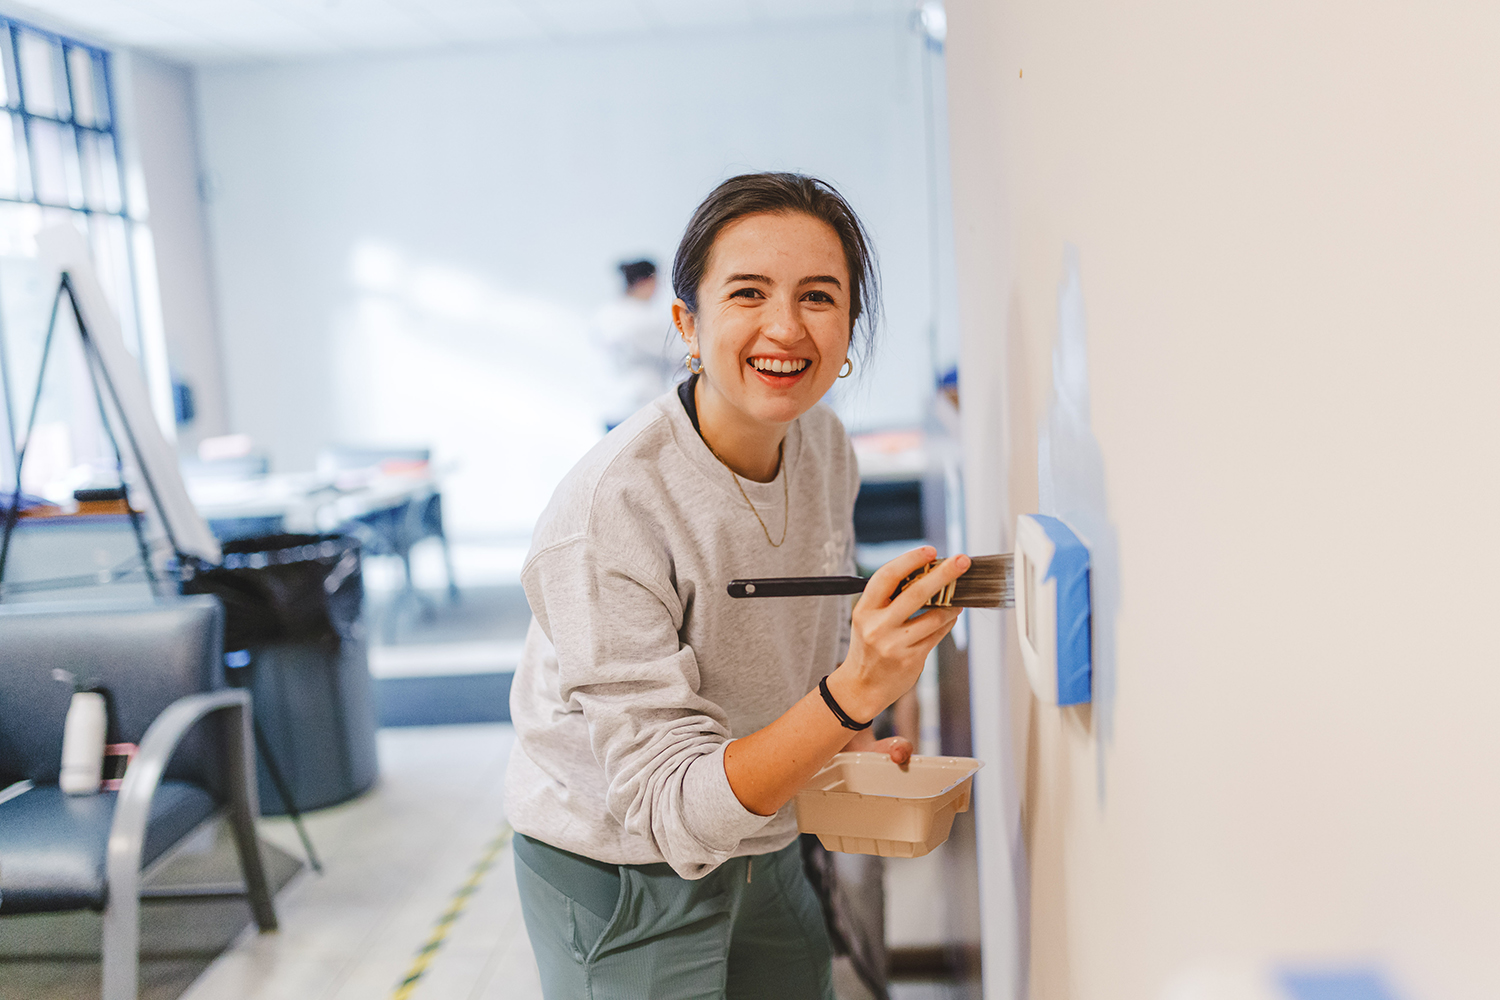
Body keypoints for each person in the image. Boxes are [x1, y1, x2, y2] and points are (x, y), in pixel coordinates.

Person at [506, 173, 972, 999]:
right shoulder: (610, 509)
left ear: (850, 328)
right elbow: (663, 804)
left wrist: (846, 738)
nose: (786, 328)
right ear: (687, 322)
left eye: (819, 297)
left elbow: (816, 627)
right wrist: (852, 695)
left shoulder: (825, 443)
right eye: (748, 292)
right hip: (622, 864)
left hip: (761, 827)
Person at [595, 258, 676, 430]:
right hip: (641, 407)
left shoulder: (605, 314)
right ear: (645, 282)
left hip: (611, 408)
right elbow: (681, 353)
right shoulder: (646, 319)